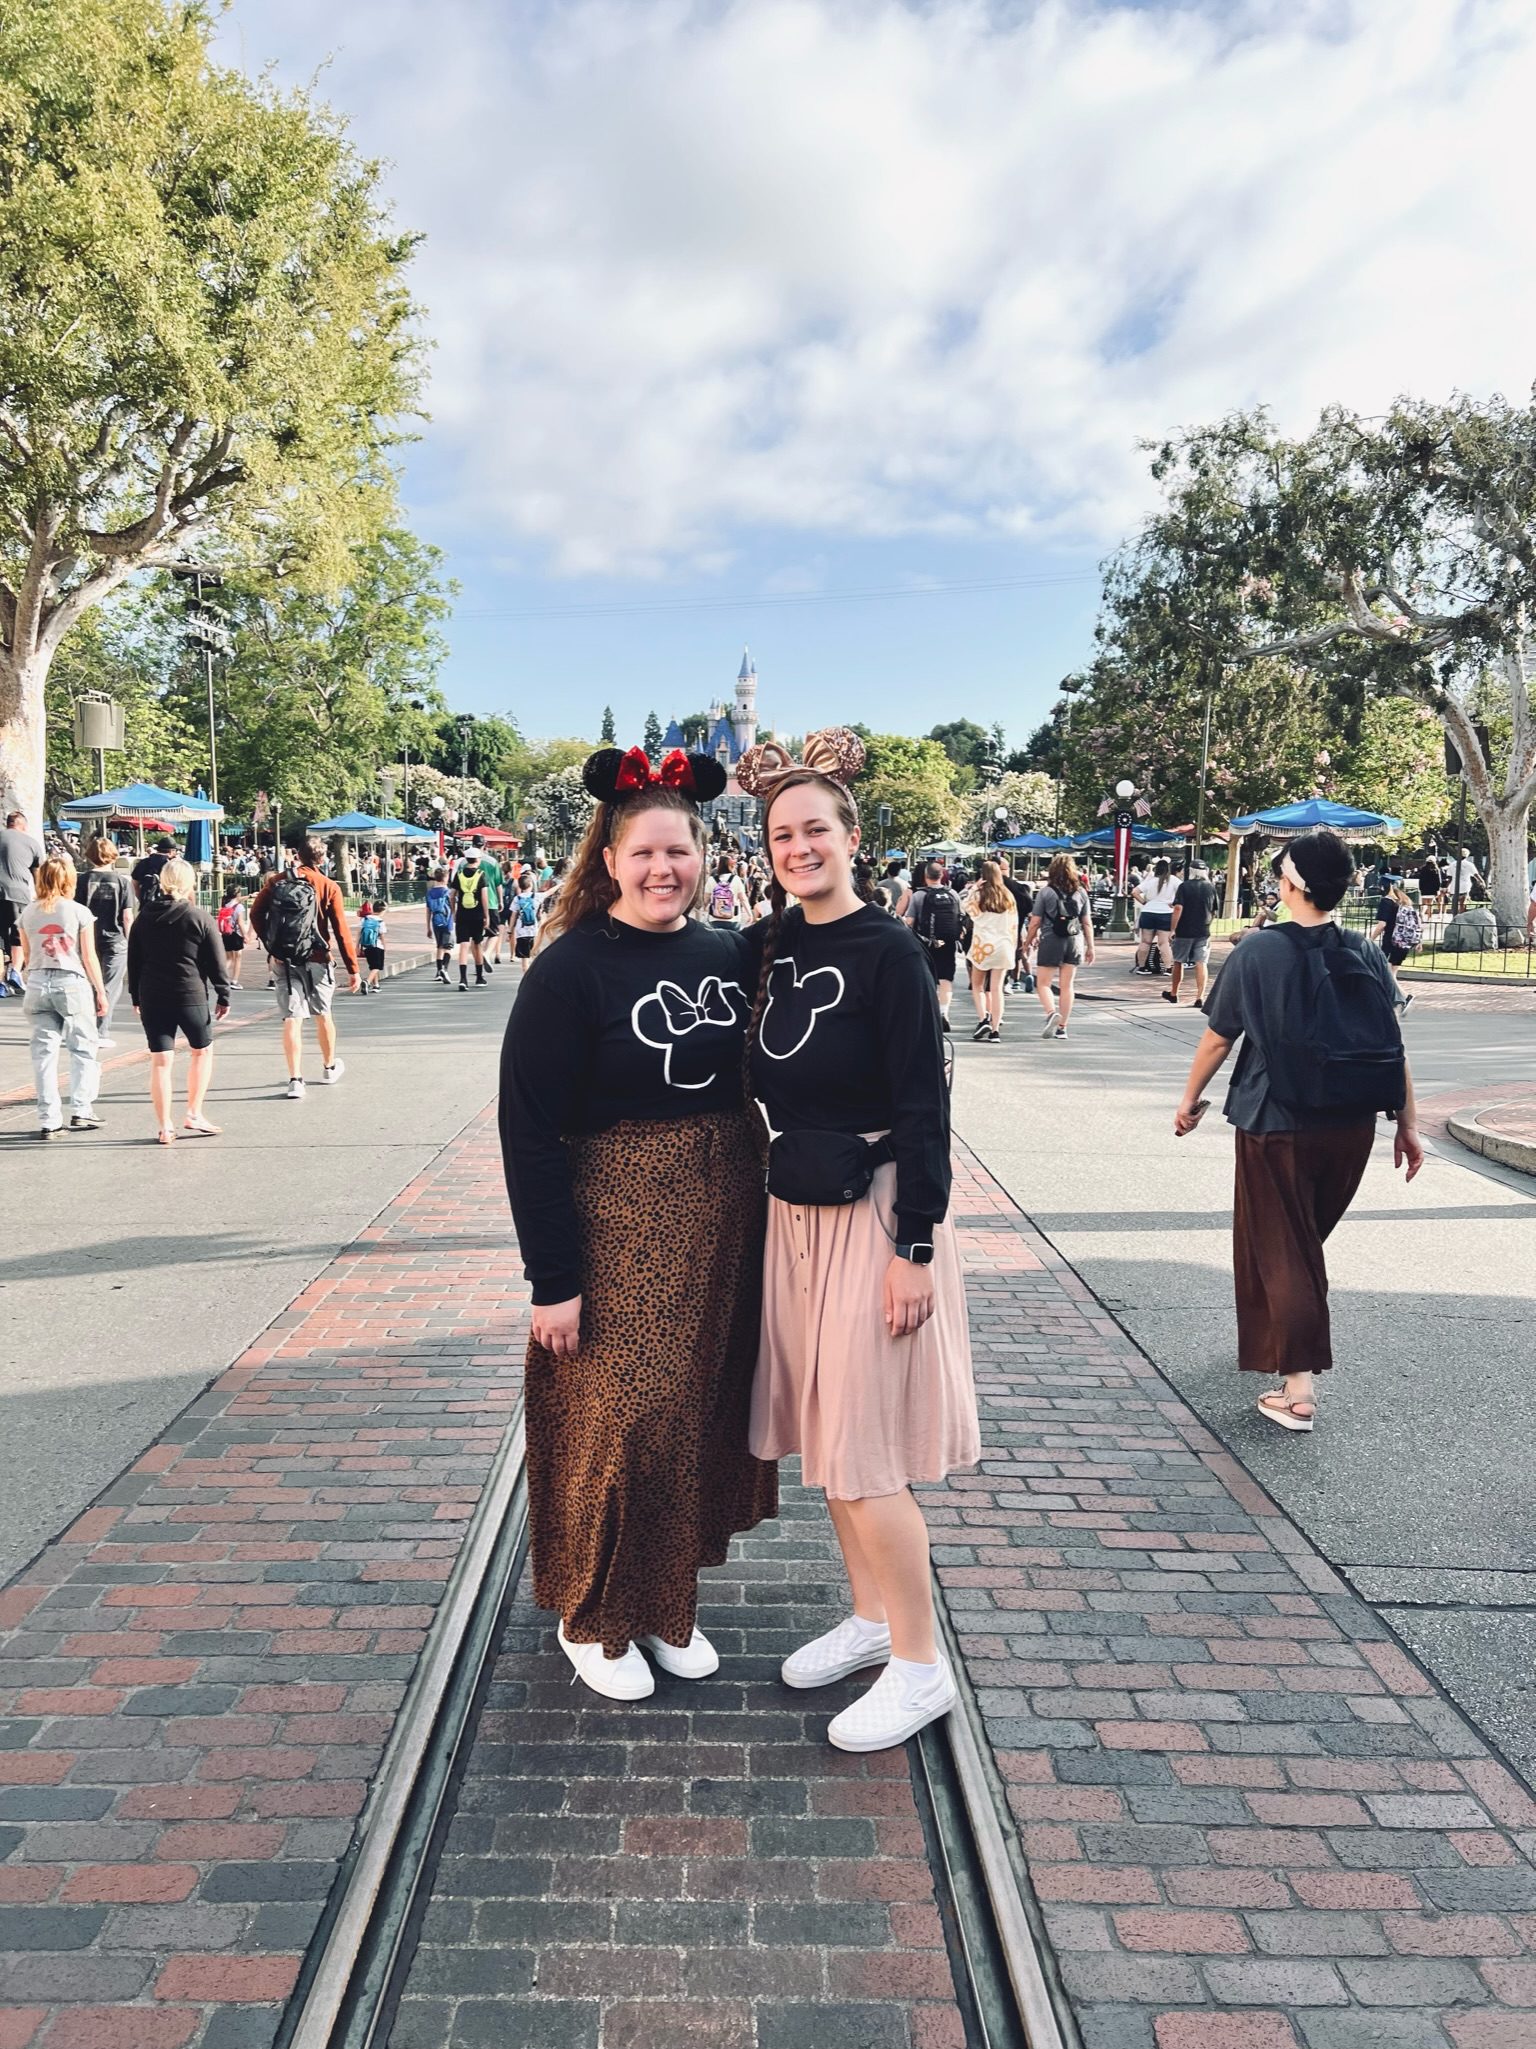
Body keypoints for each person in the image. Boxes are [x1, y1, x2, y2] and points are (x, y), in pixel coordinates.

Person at [498, 741, 777, 1701]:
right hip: (617, 1216)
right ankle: (595, 1614)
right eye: (645, 853)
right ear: (609, 859)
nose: (665, 869)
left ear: (707, 856)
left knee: (696, 1413)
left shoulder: (733, 951)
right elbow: (526, 1128)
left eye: (681, 852)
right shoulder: (569, 969)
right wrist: (553, 1278)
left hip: (724, 1216)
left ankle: (662, 1600)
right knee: (622, 1417)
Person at [734, 728, 978, 1753]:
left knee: (866, 1455)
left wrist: (913, 1247)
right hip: (795, 1211)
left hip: (878, 1210)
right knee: (828, 1447)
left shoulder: (889, 951)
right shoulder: (764, 946)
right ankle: (873, 1618)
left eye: (816, 829)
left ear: (852, 834)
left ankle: (921, 1668)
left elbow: (927, 1106)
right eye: (783, 834)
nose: (800, 847)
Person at [1173, 830, 1423, 1433]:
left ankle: (1299, 1388)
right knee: (1298, 1241)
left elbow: (1217, 1038)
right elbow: (1394, 1044)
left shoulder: (1258, 952)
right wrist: (1408, 1125)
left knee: (1284, 1245)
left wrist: (1189, 1100)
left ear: (1290, 886)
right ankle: (1277, 1351)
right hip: (1351, 1125)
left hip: (1275, 1121)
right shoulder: (1365, 950)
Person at [127, 857, 232, 1144]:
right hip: (189, 993)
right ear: (190, 884)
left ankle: (164, 1126)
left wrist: (135, 995)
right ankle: (193, 1112)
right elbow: (215, 962)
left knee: (161, 1060)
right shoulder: (198, 917)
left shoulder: (143, 918)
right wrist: (224, 993)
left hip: (152, 994)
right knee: (201, 1051)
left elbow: (134, 960)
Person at [249, 837, 360, 1099]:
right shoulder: (329, 886)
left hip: (284, 959)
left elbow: (255, 914)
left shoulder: (276, 881)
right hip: (318, 957)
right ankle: (329, 1067)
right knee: (323, 1014)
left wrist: (272, 946)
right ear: (323, 859)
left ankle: (295, 1079)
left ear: (298, 855)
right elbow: (341, 931)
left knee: (292, 1017)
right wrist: (353, 968)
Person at [19, 853, 108, 1138]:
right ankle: (81, 1109)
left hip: (37, 981)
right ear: (68, 881)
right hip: (71, 981)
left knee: (44, 1054)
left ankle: (49, 1119)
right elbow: (89, 956)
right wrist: (100, 991)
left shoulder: (28, 913)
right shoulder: (79, 911)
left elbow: (28, 955)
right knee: (82, 1047)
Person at [1027, 853, 1095, 1038]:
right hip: (1074, 940)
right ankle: (1063, 1027)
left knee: (1043, 983)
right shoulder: (1081, 892)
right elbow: (1087, 922)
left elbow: (1035, 921)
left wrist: (1027, 942)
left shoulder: (1046, 892)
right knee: (1067, 986)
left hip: (1051, 938)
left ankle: (1051, 1013)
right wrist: (1091, 946)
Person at [76, 838, 133, 1043]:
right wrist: (132, 940)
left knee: (91, 983)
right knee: (110, 985)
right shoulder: (122, 882)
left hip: (88, 937)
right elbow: (127, 917)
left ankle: (87, 1025)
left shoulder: (81, 881)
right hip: (116, 938)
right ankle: (100, 1030)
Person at [963, 859, 1019, 1043]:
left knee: (978, 986)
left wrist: (973, 889)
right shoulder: (1008, 896)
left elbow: (966, 908)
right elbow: (1014, 924)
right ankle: (995, 1030)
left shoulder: (979, 895)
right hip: (1003, 946)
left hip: (982, 946)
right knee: (997, 989)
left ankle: (983, 1018)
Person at [905, 859, 961, 1030]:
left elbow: (909, 922)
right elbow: (961, 918)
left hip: (926, 943)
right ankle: (944, 1011)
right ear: (942, 875)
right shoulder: (953, 894)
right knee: (946, 979)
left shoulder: (919, 895)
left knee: (927, 978)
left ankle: (929, 1014)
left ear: (925, 876)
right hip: (949, 942)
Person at [0, 807, 45, 996]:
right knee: (19, 934)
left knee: (0, 939)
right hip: (19, 894)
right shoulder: (31, 843)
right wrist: (41, 897)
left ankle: (1, 981)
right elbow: (38, 874)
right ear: (23, 826)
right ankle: (15, 971)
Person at [1167, 859, 1218, 1008]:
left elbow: (1178, 908)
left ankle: (1174, 993)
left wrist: (1173, 929)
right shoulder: (1210, 887)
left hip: (1184, 930)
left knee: (1178, 961)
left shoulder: (1184, 887)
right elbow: (1214, 911)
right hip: (1203, 930)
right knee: (1201, 962)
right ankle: (1200, 996)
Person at [1370, 882, 1419, 1011]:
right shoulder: (1404, 902)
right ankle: (1391, 1000)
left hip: (1392, 942)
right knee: (1391, 973)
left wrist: (1370, 939)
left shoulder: (1387, 902)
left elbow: (1382, 925)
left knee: (1387, 973)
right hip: (1404, 943)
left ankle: (1404, 997)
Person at [451, 850, 491, 988]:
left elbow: (452, 895)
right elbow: (484, 897)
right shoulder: (481, 875)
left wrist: (453, 912)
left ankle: (463, 979)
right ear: (478, 859)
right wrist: (486, 915)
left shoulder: (459, 874)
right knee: (477, 944)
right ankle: (479, 977)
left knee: (463, 945)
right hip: (477, 914)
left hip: (462, 913)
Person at [1133, 858, 1180, 974]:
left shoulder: (1150, 881)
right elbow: (1183, 891)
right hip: (1165, 913)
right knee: (1163, 943)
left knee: (1145, 942)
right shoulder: (1173, 880)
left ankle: (1142, 967)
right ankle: (1168, 968)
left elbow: (1134, 892)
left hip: (1148, 912)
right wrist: (1173, 903)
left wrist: (1145, 902)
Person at [215, 884, 248, 987]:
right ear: (238, 893)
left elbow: (238, 900)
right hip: (236, 934)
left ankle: (220, 976)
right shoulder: (239, 907)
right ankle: (234, 981)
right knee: (238, 957)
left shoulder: (225, 904)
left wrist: (250, 896)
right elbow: (240, 923)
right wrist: (245, 935)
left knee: (229, 958)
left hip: (226, 933)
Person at [425, 868, 454, 983]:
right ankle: (444, 969)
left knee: (439, 946)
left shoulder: (429, 892)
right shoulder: (448, 892)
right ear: (446, 878)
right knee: (448, 947)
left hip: (435, 921)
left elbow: (428, 911)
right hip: (448, 921)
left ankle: (438, 971)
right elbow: (453, 907)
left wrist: (428, 927)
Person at [706, 853, 748, 930]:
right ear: (730, 866)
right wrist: (749, 914)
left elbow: (705, 900)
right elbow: (743, 899)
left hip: (714, 918)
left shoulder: (711, 879)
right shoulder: (736, 879)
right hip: (733, 919)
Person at [131, 836, 176, 904]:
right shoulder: (170, 865)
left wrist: (142, 900)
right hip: (166, 906)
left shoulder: (143, 862)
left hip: (146, 906)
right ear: (171, 851)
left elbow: (134, 885)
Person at [358, 901, 386, 992]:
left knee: (373, 966)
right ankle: (367, 981)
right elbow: (381, 936)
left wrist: (357, 946)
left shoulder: (365, 919)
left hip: (366, 946)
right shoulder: (380, 921)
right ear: (383, 911)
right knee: (376, 967)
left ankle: (376, 985)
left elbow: (359, 933)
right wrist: (385, 946)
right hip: (377, 946)